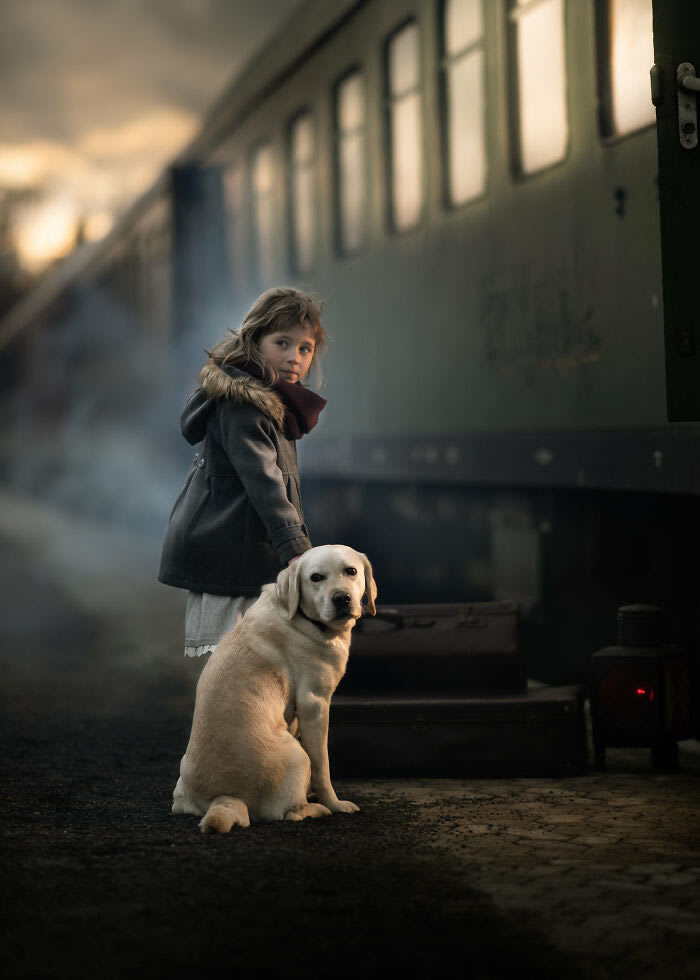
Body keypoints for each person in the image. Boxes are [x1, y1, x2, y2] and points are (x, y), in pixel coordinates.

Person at [158, 286, 328, 657]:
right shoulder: (244, 404)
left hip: (241, 546)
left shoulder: (275, 399)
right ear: (254, 340)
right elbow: (264, 482)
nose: (294, 358)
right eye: (282, 343)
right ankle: (229, 715)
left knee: (249, 661)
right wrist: (296, 550)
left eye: (304, 348)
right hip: (227, 548)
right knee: (232, 661)